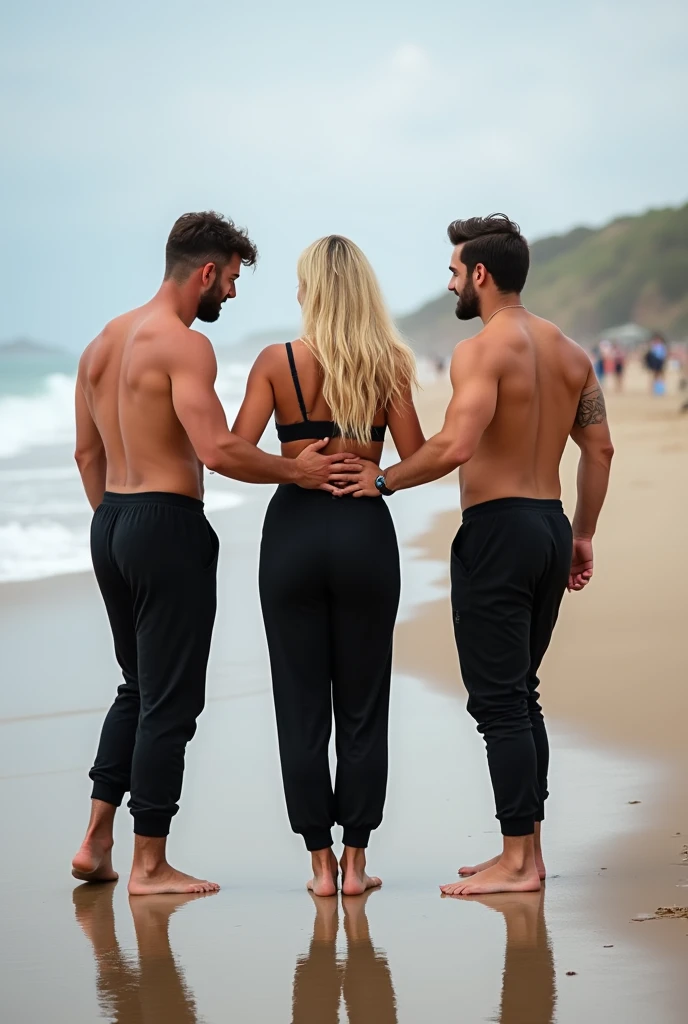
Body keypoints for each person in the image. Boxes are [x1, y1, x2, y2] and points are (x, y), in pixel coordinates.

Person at [71, 212, 357, 896]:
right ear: (204, 271)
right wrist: (299, 472)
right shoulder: (184, 347)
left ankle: (94, 840)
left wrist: (118, 525)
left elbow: (86, 451)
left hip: (109, 521)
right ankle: (149, 864)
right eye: (229, 278)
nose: (230, 293)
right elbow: (218, 449)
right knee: (171, 700)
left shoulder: (103, 342)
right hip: (166, 526)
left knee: (136, 688)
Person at [335, 214, 614, 896]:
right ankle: (527, 852)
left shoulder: (482, 351)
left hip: (497, 531)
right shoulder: (572, 354)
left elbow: (456, 444)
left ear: (481, 275)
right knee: (521, 693)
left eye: (455, 272)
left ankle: (517, 862)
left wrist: (382, 480)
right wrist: (582, 533)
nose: (451, 282)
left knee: (499, 702)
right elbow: (600, 449)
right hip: (549, 524)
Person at [232, 235, 424, 896]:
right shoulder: (390, 363)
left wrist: (294, 468)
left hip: (292, 535)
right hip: (364, 531)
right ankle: (357, 863)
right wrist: (382, 478)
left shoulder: (276, 362)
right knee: (365, 704)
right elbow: (418, 454)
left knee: (301, 702)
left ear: (311, 289)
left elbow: (232, 451)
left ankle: (318, 864)